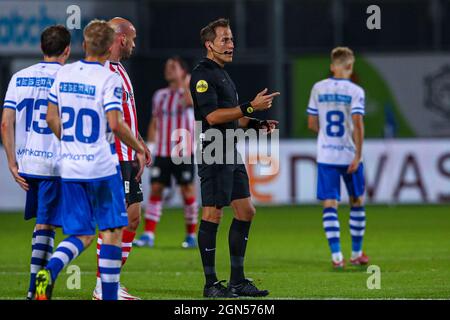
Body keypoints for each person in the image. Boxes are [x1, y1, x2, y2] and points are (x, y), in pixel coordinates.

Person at [34, 19, 145, 300]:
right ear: (111, 44)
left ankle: (51, 269)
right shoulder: (108, 78)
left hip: (73, 165)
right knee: (112, 229)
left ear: (83, 45)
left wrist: (71, 142)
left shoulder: (66, 73)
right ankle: (104, 290)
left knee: (83, 233)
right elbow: (116, 123)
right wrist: (138, 149)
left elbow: (50, 117)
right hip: (107, 162)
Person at [190, 18, 279, 298]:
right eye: (224, 40)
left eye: (231, 39)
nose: (231, 45)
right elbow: (213, 117)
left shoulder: (223, 74)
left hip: (230, 148)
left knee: (245, 211)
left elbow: (233, 117)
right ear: (209, 44)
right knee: (213, 213)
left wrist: (255, 123)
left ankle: (237, 281)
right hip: (214, 148)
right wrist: (250, 105)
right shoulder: (203, 75)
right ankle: (210, 285)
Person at [0, 25, 71, 300]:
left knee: (44, 225)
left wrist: (11, 162)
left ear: (42, 49)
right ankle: (37, 289)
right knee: (67, 227)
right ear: (66, 50)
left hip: (29, 164)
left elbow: (6, 122)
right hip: (58, 164)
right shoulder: (68, 77)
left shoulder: (19, 77)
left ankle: (37, 288)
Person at [93, 17, 152, 300]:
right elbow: (109, 120)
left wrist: (139, 142)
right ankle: (104, 285)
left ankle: (109, 282)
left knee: (131, 218)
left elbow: (126, 115)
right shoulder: (103, 71)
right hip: (113, 156)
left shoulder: (120, 71)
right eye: (133, 38)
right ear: (121, 39)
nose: (134, 44)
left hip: (127, 155)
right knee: (115, 221)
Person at [307, 47, 369, 269]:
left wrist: (326, 136)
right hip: (349, 154)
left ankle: (336, 257)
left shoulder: (318, 88)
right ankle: (356, 253)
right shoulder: (355, 91)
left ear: (332, 66)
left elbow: (312, 124)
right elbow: (358, 124)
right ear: (350, 68)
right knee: (357, 200)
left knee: (330, 204)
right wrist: (358, 155)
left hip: (326, 155)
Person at [133, 56, 198, 249]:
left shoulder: (189, 92)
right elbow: (155, 121)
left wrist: (186, 82)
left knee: (187, 190)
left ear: (183, 72)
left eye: (173, 67)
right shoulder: (160, 95)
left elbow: (189, 102)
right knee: (156, 189)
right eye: (167, 66)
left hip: (183, 150)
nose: (168, 70)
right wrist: (150, 145)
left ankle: (191, 235)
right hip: (162, 150)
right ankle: (148, 234)